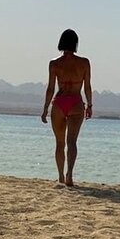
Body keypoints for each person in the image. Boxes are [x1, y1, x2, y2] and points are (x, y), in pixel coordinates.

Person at [41, 29, 93, 186]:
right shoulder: (84, 63)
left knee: (59, 143)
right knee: (72, 142)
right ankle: (69, 174)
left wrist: (45, 108)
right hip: (76, 103)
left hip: (59, 102)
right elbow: (87, 87)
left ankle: (60, 177)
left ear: (61, 43)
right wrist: (89, 105)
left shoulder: (54, 64)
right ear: (75, 44)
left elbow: (50, 88)